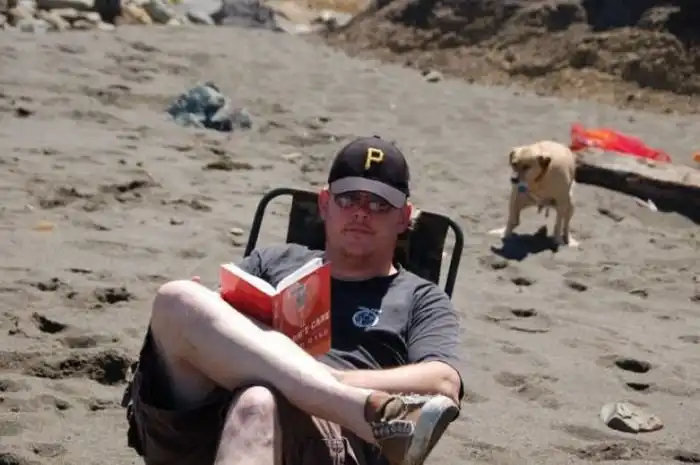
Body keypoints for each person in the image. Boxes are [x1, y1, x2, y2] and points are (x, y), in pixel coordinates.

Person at [122, 135, 465, 465]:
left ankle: (343, 405)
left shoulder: (420, 297)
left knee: (257, 402)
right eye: (348, 198)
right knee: (177, 298)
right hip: (206, 417)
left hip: (328, 439)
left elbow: (444, 382)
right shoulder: (272, 261)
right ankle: (355, 408)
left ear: (404, 217)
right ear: (324, 203)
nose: (361, 212)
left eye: (379, 203)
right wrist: (201, 307)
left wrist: (330, 378)